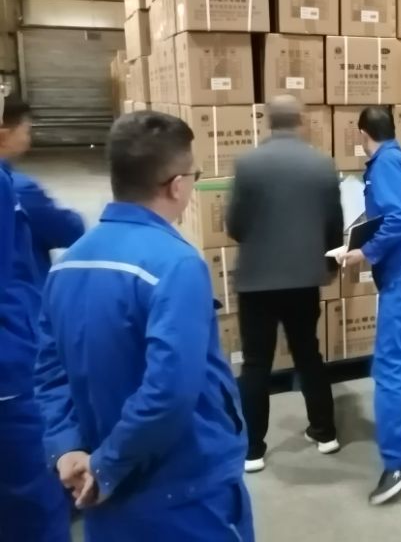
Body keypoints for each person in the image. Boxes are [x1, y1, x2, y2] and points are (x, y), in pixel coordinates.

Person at [34, 111, 254, 540]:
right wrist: (107, 464)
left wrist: (67, 448)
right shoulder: (176, 264)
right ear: (177, 185)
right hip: (183, 491)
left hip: (103, 494)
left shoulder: (68, 264)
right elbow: (169, 392)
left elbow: (49, 371)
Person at [226, 96, 343, 473]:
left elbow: (235, 226)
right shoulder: (321, 164)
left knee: (256, 364)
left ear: (267, 120)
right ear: (300, 120)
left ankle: (253, 449)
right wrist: (328, 264)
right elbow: (334, 224)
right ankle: (325, 432)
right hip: (304, 277)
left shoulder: (248, 164)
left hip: (257, 280)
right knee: (308, 354)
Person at [338, 106, 401, 505]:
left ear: (362, 133)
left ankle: (399, 462)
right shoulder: (400, 159)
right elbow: (396, 214)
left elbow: (399, 218)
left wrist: (364, 253)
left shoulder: (384, 166)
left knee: (388, 367)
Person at [0, 91, 71, 542]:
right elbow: (69, 228)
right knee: (31, 489)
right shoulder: (15, 188)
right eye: (27, 127)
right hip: (12, 364)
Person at [0, 98, 85, 279]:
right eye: (26, 131)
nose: (28, 141)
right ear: (4, 136)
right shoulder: (19, 189)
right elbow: (69, 230)